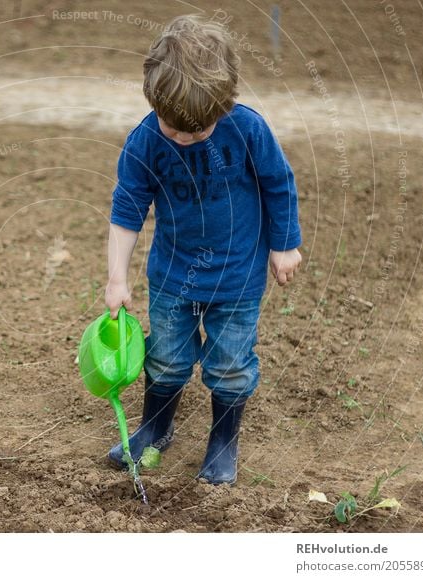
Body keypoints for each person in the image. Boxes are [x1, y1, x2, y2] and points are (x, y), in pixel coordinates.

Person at [105, 14, 302, 484]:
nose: (184, 138)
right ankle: (155, 430)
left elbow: (279, 184)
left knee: (230, 362)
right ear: (153, 101)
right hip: (174, 276)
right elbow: (126, 209)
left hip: (237, 278)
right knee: (166, 357)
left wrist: (285, 244)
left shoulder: (247, 129)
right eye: (174, 127)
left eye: (197, 131)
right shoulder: (146, 142)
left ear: (224, 104)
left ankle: (222, 443)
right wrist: (117, 277)